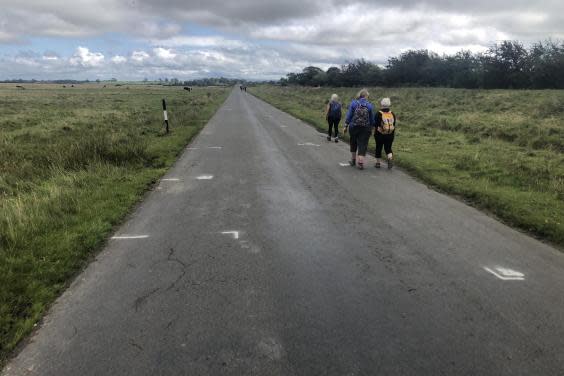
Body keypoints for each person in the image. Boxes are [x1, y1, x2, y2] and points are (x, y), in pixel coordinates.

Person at [344, 89, 375, 170]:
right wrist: (372, 127)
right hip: (365, 128)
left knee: (353, 142)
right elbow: (372, 119)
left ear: (359, 95)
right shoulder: (369, 105)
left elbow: (349, 115)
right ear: (366, 96)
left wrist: (346, 125)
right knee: (363, 144)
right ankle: (360, 162)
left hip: (353, 126)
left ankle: (353, 160)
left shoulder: (353, 103)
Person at [374, 97, 396, 169]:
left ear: (381, 104)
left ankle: (378, 163)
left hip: (379, 135)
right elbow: (394, 124)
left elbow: (375, 124)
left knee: (378, 147)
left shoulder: (378, 113)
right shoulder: (392, 113)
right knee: (388, 148)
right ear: (389, 104)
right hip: (390, 134)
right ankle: (390, 159)